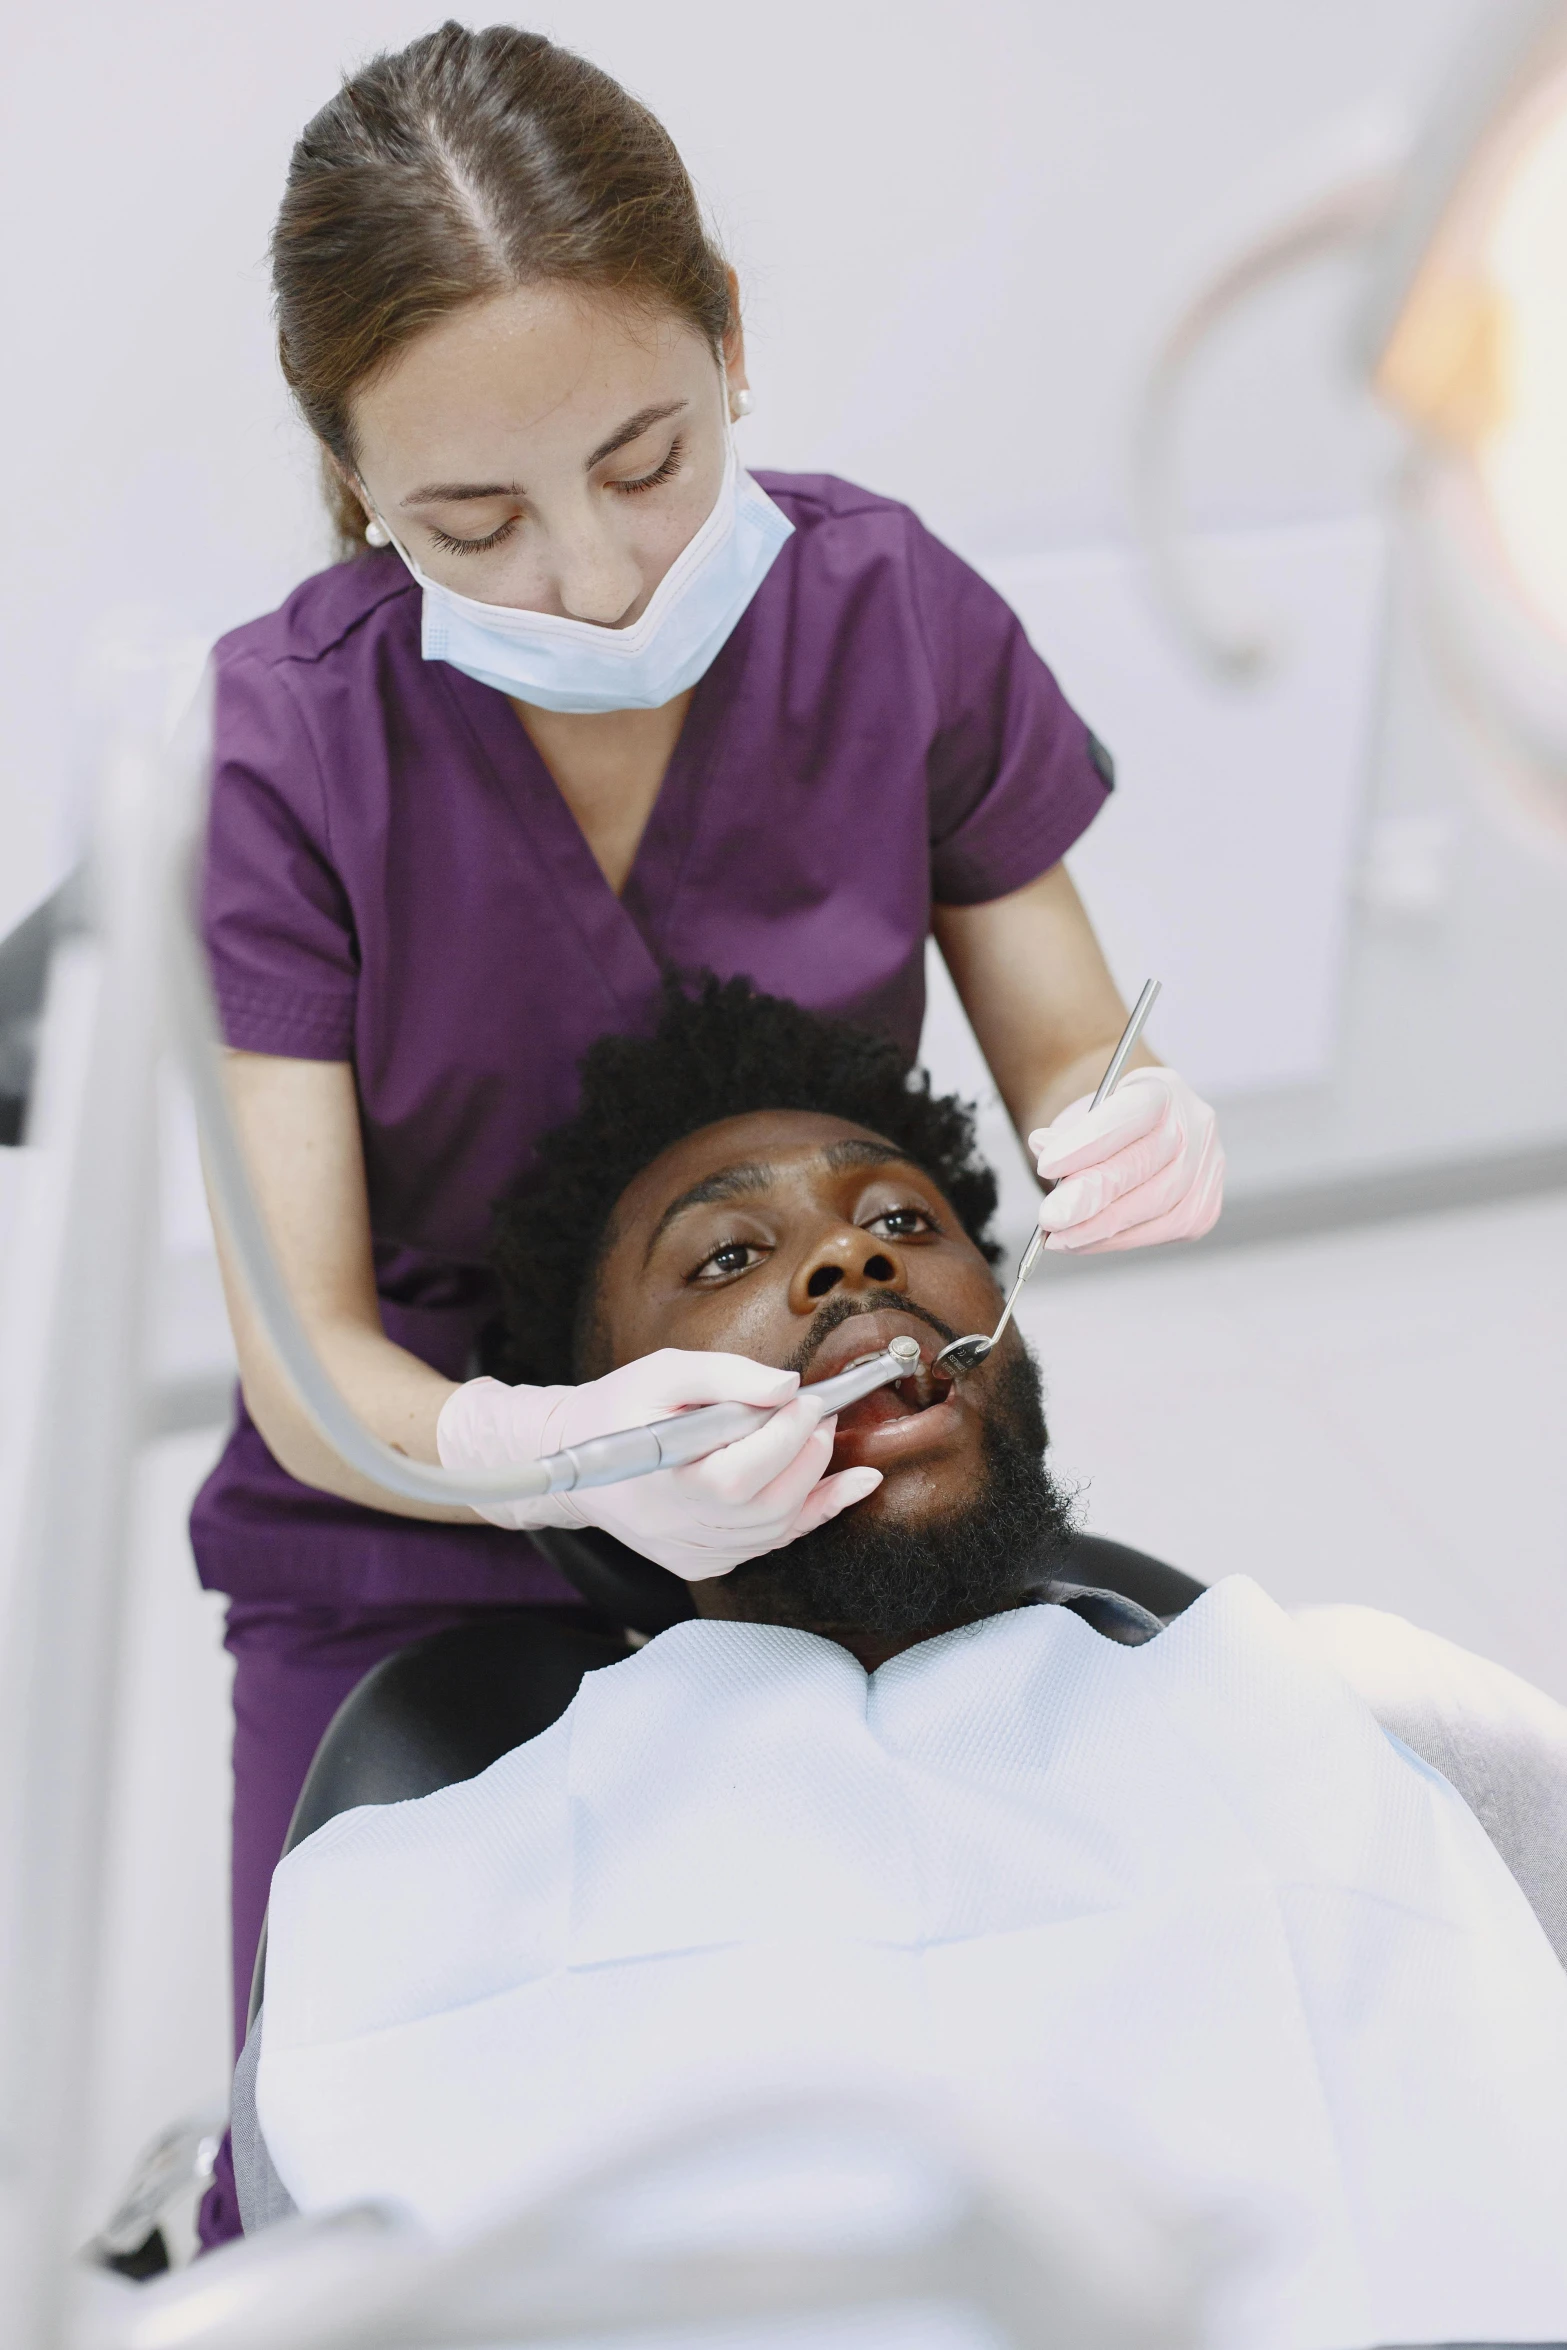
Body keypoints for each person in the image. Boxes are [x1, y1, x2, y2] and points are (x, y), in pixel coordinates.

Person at [196, 21, 1227, 2240]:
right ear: (355, 482)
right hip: (407, 1529)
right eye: (473, 517)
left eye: (648, 455)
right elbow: (311, 1352)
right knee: (373, 2168)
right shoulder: (289, 751)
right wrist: (544, 1455)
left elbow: (1069, 1040)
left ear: (736, 344)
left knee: (913, 2087)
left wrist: (1128, 1117)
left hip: (822, 1478)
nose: (589, 567)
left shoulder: (887, 614)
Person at [237, 980, 1567, 2350]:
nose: (848, 1264)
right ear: (604, 1431)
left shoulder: (1364, 1711)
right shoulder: (415, 1898)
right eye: (723, 1256)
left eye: (900, 1222)